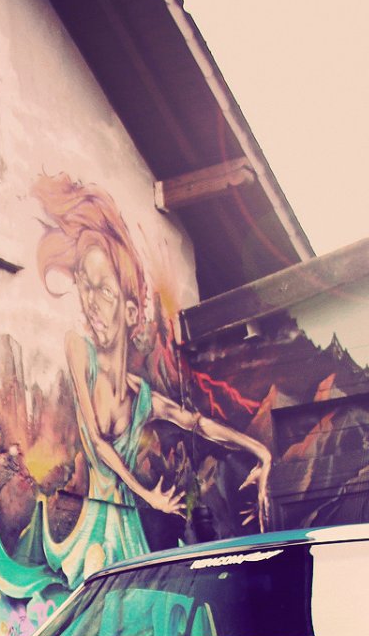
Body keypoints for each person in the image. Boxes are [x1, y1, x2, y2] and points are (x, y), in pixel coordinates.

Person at [33, 174, 271, 583]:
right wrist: (145, 496)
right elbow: (98, 442)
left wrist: (261, 454)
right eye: (85, 288)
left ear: (129, 312)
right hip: (92, 530)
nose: (91, 304)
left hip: (128, 539)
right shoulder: (79, 350)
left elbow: (198, 424)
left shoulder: (143, 396)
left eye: (103, 291)